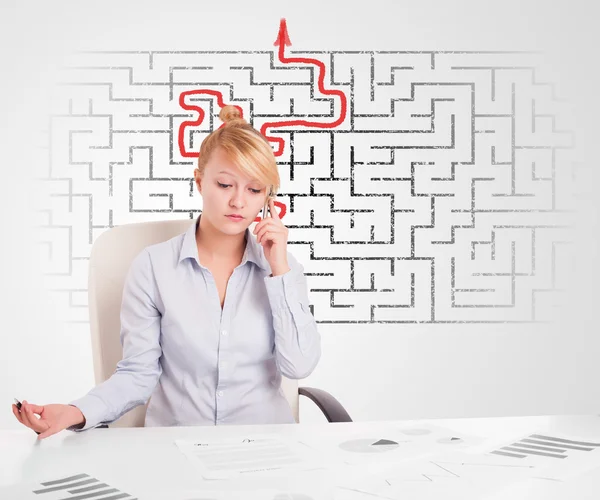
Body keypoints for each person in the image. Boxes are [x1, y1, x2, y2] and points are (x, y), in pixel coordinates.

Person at [12, 105, 322, 440]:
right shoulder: (153, 267)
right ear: (200, 182)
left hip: (266, 448)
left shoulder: (283, 270)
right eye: (224, 184)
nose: (238, 202)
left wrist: (279, 270)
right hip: (177, 450)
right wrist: (76, 412)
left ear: (268, 199)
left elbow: (299, 365)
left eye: (254, 189)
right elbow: (138, 373)